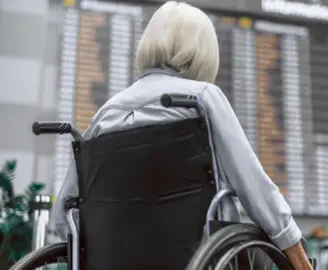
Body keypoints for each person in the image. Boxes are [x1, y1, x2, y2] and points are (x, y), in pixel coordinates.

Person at [52, 1, 312, 269]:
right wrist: (294, 247)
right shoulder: (201, 98)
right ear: (203, 52)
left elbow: (62, 216)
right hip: (201, 257)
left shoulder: (105, 115)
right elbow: (254, 187)